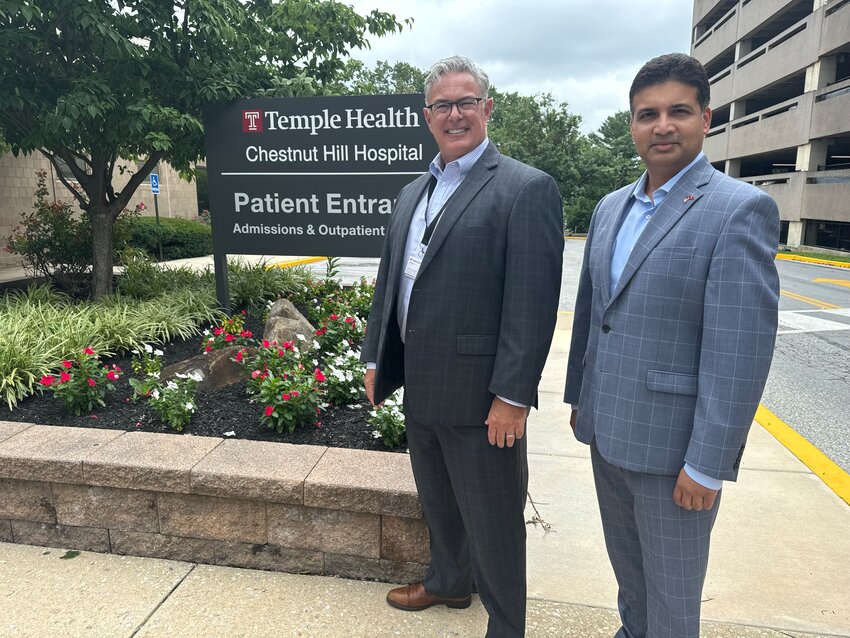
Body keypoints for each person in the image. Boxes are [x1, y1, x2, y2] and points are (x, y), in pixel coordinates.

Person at [564, 52, 780, 638]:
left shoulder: (739, 211)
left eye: (678, 111)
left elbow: (739, 353)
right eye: (647, 114)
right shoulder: (612, 207)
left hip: (675, 453)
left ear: (705, 119)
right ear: (631, 125)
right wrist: (582, 399)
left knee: (673, 597)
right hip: (607, 433)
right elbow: (593, 316)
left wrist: (707, 464)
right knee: (630, 578)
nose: (663, 125)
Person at [360, 55, 564, 637]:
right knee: (440, 502)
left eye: (466, 102)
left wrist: (513, 397)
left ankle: (506, 624)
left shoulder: (525, 189)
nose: (455, 114)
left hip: (482, 400)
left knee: (496, 521)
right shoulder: (410, 194)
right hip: (421, 387)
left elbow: (532, 306)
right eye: (443, 105)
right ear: (427, 116)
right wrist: (376, 356)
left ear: (487, 109)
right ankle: (450, 580)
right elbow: (390, 283)